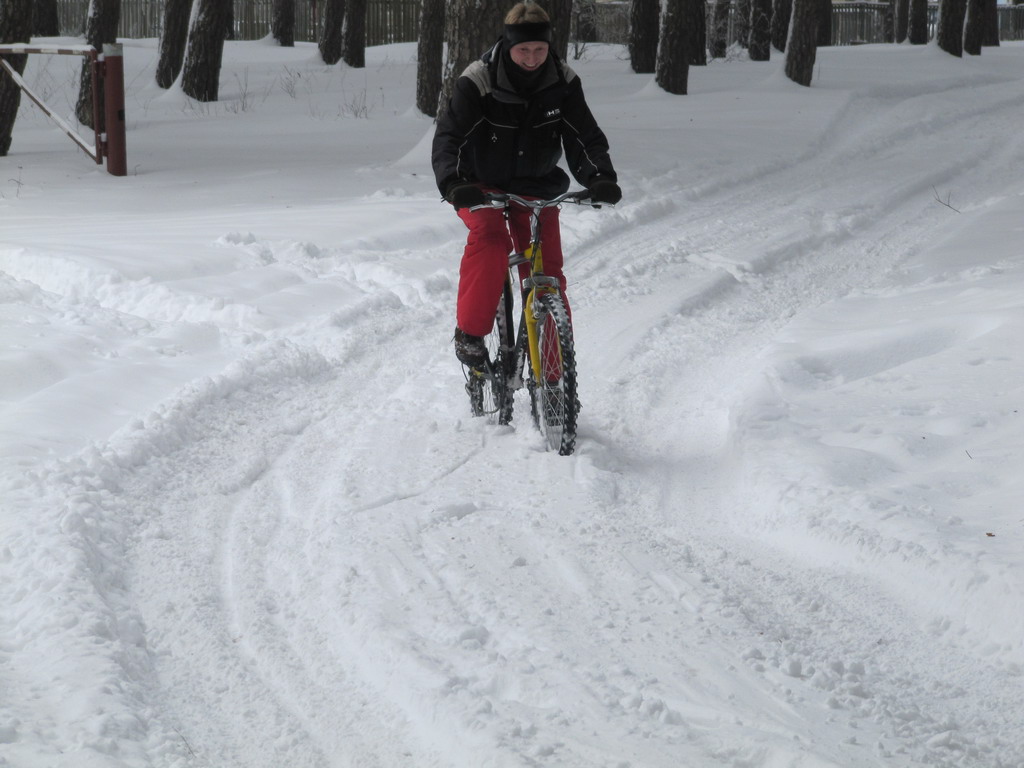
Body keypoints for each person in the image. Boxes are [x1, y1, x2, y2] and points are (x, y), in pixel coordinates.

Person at [432, 1, 621, 369]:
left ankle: (554, 379)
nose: (532, 58)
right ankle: (470, 335)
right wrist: (453, 182)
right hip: (479, 185)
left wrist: (600, 176)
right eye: (523, 50)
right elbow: (449, 137)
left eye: (539, 49)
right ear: (508, 45)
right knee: (490, 241)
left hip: (537, 184)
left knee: (546, 272)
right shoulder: (479, 81)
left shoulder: (563, 83)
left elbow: (584, 136)